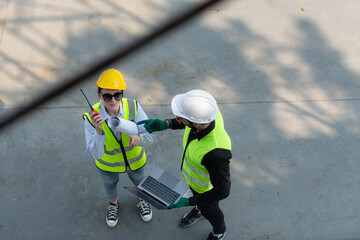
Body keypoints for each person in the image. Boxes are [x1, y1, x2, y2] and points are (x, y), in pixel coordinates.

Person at [138, 89, 232, 240]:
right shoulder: (207, 114)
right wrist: (166, 124)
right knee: (202, 205)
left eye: (180, 118)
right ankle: (200, 209)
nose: (177, 118)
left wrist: (188, 201)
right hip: (194, 181)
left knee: (211, 209)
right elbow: (188, 123)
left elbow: (222, 191)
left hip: (206, 189)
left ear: (195, 122)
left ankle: (219, 231)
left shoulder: (216, 153)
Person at [83, 68, 154, 227]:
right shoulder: (90, 118)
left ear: (122, 93)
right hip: (107, 165)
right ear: (99, 95)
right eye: (107, 96)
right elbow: (93, 153)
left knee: (140, 181)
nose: (113, 100)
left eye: (117, 95)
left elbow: (150, 136)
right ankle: (113, 205)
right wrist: (99, 132)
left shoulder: (134, 107)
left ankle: (142, 199)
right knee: (109, 185)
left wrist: (139, 137)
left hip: (135, 161)